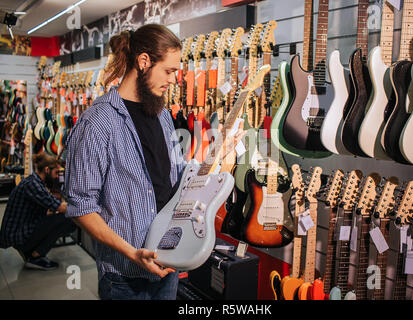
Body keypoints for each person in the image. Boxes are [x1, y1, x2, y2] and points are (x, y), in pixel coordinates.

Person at [64, 24, 244, 300]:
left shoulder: (161, 115)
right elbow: (81, 207)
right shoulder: (97, 124)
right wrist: (131, 253)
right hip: (124, 277)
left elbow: (179, 179)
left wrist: (223, 152)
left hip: (169, 264)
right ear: (144, 61)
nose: (174, 79)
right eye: (169, 71)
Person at [0, 152, 75, 270]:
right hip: (19, 237)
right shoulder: (32, 185)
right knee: (69, 219)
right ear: (46, 170)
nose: (56, 176)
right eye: (55, 172)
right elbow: (60, 207)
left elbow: (48, 208)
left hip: (20, 232)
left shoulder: (33, 181)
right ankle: (35, 256)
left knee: (60, 217)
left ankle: (32, 252)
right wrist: (83, 207)